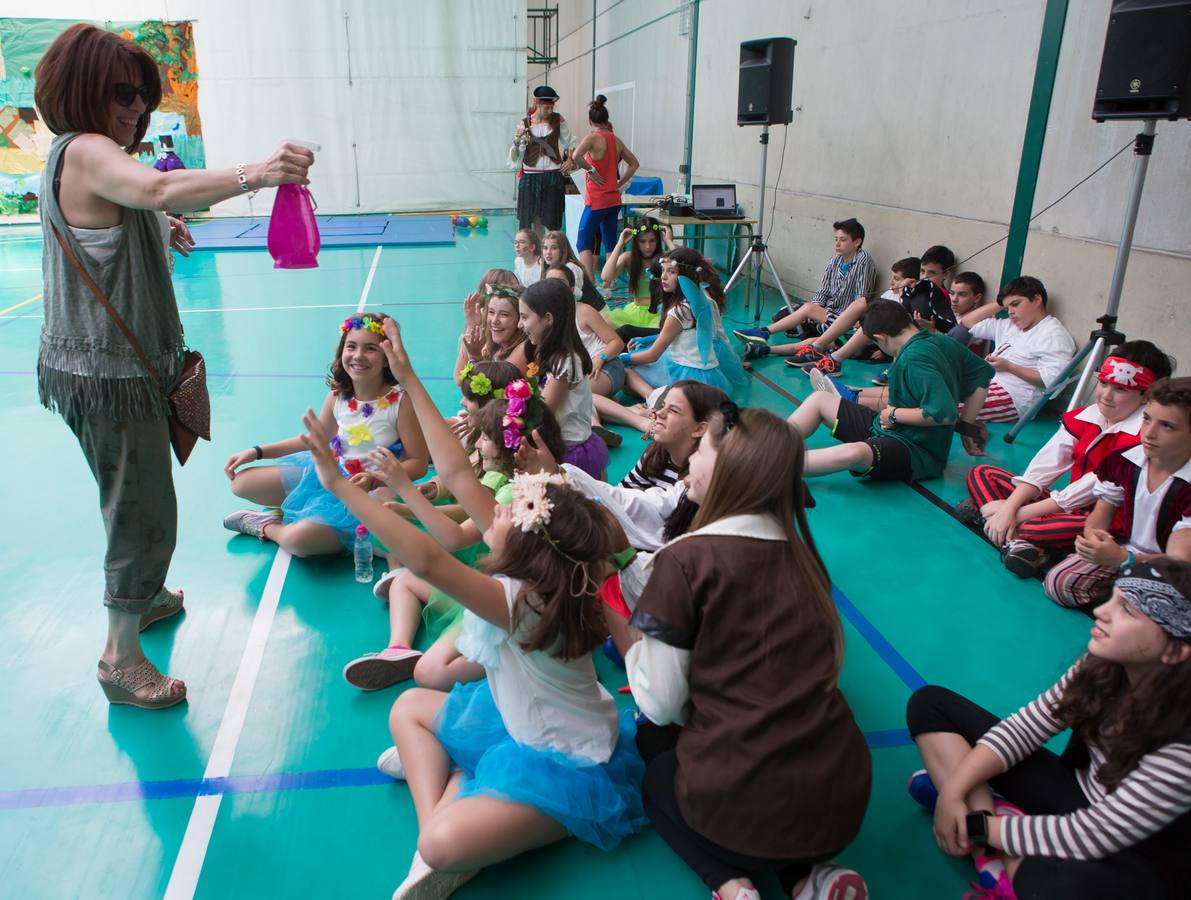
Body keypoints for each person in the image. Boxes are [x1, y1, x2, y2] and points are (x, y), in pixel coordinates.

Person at [299, 318, 645, 897]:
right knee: (408, 705)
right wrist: (406, 375)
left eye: (508, 515)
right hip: (519, 720)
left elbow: (430, 562)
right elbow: (458, 475)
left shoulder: (521, 600)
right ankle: (460, 793)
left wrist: (341, 487)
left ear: (530, 543)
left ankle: (440, 836)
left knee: (439, 840)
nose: (498, 513)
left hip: (568, 764)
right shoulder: (557, 568)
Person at [34, 23, 313, 708]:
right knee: (139, 508)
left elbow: (138, 208)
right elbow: (158, 190)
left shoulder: (77, 157)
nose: (134, 109)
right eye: (121, 93)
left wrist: (160, 227)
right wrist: (262, 172)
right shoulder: (90, 149)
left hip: (106, 369)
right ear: (82, 91)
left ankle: (147, 595)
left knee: (134, 493)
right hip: (112, 377)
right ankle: (119, 656)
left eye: (142, 97)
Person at [627, 406, 871, 900]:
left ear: (730, 466)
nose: (690, 458)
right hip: (842, 802)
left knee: (656, 768)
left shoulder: (685, 560)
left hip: (737, 809)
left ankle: (730, 884)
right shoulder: (805, 560)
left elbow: (660, 704)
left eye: (702, 448)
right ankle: (808, 877)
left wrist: (634, 647)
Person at [905, 557, 1191, 900]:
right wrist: (955, 790)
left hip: (1138, 851)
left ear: (1175, 650)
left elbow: (1094, 834)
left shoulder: (1183, 746)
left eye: (1128, 610)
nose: (1102, 611)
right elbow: (1026, 727)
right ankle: (1002, 835)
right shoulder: (1103, 664)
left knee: (1063, 887)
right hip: (1075, 795)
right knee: (929, 704)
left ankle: (994, 839)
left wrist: (976, 827)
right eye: (1111, 597)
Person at [958, 342, 1173, 578]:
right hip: (1065, 506)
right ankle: (1021, 543)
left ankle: (1001, 524)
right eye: (1103, 383)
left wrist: (1014, 515)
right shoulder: (1088, 415)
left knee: (1033, 525)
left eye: (1121, 390)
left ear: (1145, 398)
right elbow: (1045, 467)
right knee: (982, 473)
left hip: (1104, 521)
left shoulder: (1142, 438)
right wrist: (1008, 508)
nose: (1106, 396)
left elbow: (1085, 491)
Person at [222, 312, 429, 556]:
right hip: (329, 474)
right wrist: (257, 452)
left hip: (372, 491)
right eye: (351, 346)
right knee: (241, 484)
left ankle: (267, 527)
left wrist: (374, 478)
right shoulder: (338, 397)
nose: (358, 356)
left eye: (370, 348)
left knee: (299, 541)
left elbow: (418, 463)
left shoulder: (400, 403)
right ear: (342, 351)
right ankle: (304, 511)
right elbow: (312, 441)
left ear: (386, 358)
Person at [787, 301, 992, 481]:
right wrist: (967, 425)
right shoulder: (941, 340)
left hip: (915, 451)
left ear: (880, 338)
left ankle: (772, 465)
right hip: (885, 427)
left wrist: (893, 414)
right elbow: (983, 373)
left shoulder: (914, 359)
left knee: (853, 454)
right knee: (819, 400)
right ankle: (768, 445)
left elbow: (944, 414)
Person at [1044, 377, 1191, 609]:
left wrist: (1125, 560)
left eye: (1167, 426)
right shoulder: (1125, 460)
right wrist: (1094, 541)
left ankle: (1130, 599)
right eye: (1147, 419)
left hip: (1177, 570)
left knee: (1162, 608)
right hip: (1127, 550)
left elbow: (1180, 562)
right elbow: (1101, 514)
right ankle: (1123, 595)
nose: (1149, 433)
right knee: (1059, 583)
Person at [759, 245, 957, 376]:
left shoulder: (944, 301)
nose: (925, 277)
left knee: (861, 316)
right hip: (871, 336)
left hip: (890, 344)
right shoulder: (911, 291)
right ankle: (769, 347)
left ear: (946, 274)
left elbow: (947, 338)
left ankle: (830, 357)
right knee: (860, 306)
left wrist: (929, 329)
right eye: (923, 272)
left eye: (932, 273)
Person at [620, 247, 747, 399]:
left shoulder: (679, 312)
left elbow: (652, 355)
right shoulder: (703, 296)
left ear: (686, 276)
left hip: (686, 373)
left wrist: (622, 358)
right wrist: (646, 339)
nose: (663, 277)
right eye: (663, 270)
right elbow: (681, 335)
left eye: (672, 272)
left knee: (626, 377)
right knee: (641, 350)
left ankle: (653, 396)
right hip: (707, 371)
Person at [731, 218, 875, 348]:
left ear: (857, 242)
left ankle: (764, 332)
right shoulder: (834, 261)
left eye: (843, 240)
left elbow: (861, 299)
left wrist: (811, 311)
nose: (837, 244)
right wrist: (815, 308)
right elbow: (823, 292)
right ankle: (812, 327)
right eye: (836, 239)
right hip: (828, 313)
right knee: (784, 315)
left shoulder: (863, 260)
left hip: (846, 319)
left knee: (805, 310)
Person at [518, 279, 609, 478]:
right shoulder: (549, 352)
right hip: (560, 443)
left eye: (524, 317)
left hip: (570, 451)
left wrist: (511, 414)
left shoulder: (566, 362)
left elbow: (544, 411)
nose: (519, 324)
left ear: (548, 319)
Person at [961, 276, 1076, 424]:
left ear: (1037, 300)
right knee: (934, 389)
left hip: (1014, 396)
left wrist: (1009, 367)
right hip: (988, 381)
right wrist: (1000, 303)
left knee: (945, 406)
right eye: (1007, 307)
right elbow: (967, 322)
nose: (1010, 312)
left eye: (1016, 304)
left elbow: (1053, 381)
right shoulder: (1010, 325)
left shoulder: (1053, 334)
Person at [562, 94, 640, 278]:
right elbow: (634, 163)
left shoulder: (592, 138)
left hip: (596, 201)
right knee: (611, 243)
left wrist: (591, 171)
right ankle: (609, 282)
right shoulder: (616, 140)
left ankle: (589, 281)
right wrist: (619, 183)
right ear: (607, 120)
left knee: (583, 241)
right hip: (613, 200)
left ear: (590, 121)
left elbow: (576, 157)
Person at [542, 264, 626, 399]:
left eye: (561, 283)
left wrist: (600, 359)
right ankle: (632, 410)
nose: (555, 287)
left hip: (605, 366)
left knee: (569, 396)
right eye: (550, 282)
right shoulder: (545, 318)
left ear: (572, 289)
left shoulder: (584, 311)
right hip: (578, 374)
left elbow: (617, 342)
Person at [509, 85, 575, 233]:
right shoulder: (524, 124)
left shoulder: (558, 120)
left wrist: (570, 160)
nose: (550, 111)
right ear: (537, 103)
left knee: (552, 221)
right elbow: (514, 157)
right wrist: (517, 141)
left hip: (553, 175)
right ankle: (537, 255)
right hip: (530, 175)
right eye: (547, 108)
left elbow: (571, 143)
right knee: (530, 219)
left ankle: (551, 254)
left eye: (552, 107)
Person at [601, 220, 673, 342]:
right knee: (603, 321)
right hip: (634, 312)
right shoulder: (628, 258)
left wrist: (669, 242)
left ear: (658, 240)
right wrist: (620, 244)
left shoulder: (664, 258)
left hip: (658, 311)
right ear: (636, 242)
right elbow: (606, 276)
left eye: (652, 241)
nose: (648, 246)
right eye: (642, 241)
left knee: (668, 329)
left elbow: (683, 268)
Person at [454, 269, 529, 384]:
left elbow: (492, 388)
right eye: (492, 311)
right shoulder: (492, 335)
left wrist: (476, 359)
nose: (494, 320)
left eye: (504, 314)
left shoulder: (524, 346)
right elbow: (459, 378)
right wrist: (472, 325)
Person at [542, 229, 604, 309]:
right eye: (545, 248)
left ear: (563, 250)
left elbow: (576, 298)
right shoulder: (549, 269)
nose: (548, 252)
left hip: (595, 312)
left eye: (554, 248)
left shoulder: (571, 268)